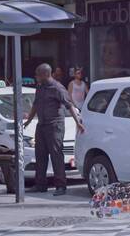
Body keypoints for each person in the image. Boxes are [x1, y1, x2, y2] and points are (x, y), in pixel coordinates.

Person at [24, 63, 85, 196]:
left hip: (55, 126)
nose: (36, 77)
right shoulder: (40, 87)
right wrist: (28, 120)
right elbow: (35, 104)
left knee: (56, 155)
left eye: (38, 74)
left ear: (46, 74)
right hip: (41, 125)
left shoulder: (57, 88)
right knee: (40, 155)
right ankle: (40, 185)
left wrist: (78, 123)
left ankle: (61, 186)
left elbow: (69, 105)